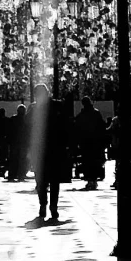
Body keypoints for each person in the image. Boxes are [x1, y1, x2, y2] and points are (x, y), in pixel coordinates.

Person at [29, 85, 70, 223]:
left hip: (45, 150)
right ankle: (51, 206)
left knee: (43, 180)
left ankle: (46, 205)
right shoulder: (53, 107)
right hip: (52, 149)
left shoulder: (37, 109)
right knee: (52, 181)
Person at [74, 96, 108, 188]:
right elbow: (102, 127)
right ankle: (93, 180)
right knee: (94, 161)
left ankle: (90, 179)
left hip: (85, 142)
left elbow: (77, 127)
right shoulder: (96, 113)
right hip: (95, 142)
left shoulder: (82, 114)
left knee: (87, 161)